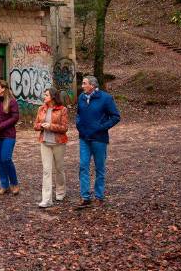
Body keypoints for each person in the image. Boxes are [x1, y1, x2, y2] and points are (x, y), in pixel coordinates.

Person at [75, 75, 120, 209]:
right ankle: (85, 197)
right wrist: (79, 125)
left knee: (99, 168)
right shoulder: (82, 98)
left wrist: (101, 127)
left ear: (92, 86)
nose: (82, 86)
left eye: (84, 83)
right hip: (84, 138)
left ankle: (99, 196)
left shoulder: (105, 98)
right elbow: (78, 114)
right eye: (82, 83)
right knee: (83, 166)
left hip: (99, 139)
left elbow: (116, 117)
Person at [33, 88, 68, 208]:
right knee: (46, 171)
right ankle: (46, 199)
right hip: (45, 142)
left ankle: (60, 192)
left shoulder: (62, 109)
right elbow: (35, 125)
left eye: (46, 94)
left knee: (59, 168)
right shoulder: (41, 109)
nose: (44, 96)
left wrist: (51, 126)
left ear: (53, 97)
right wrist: (41, 126)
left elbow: (64, 128)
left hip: (58, 143)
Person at [0, 79, 20, 195]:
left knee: (6, 158)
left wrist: (0, 126)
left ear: (3, 89)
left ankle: (14, 183)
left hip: (8, 135)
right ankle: (4, 185)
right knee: (0, 161)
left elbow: (14, 118)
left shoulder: (11, 102)